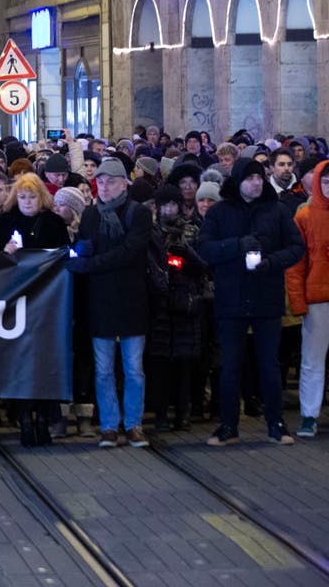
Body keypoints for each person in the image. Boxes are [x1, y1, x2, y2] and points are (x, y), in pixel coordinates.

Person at [199, 157, 305, 446]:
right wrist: (236, 246)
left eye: (259, 177)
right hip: (231, 299)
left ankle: (276, 423)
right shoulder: (220, 213)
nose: (256, 183)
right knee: (231, 364)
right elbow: (205, 248)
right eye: (250, 178)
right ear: (238, 181)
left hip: (266, 297)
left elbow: (296, 247)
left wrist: (271, 263)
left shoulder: (277, 210)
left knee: (268, 364)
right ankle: (228, 425)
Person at [67, 159, 152, 449]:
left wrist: (90, 263)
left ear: (123, 184)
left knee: (133, 368)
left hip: (131, 299)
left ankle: (133, 423)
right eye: (100, 182)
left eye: (110, 182)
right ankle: (109, 425)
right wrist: (79, 251)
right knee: (103, 369)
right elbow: (79, 247)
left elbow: (130, 252)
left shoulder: (137, 213)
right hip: (101, 300)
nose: (104, 187)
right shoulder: (91, 214)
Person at [0, 174, 71, 444]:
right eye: (22, 197)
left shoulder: (54, 222)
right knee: (19, 362)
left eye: (31, 197)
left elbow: (63, 256)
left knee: (44, 362)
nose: (26, 202)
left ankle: (45, 419)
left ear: (41, 197)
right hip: (16, 304)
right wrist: (4, 251)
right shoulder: (6, 221)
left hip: (47, 304)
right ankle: (23, 419)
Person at [145, 184, 205, 433]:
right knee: (159, 364)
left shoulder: (191, 231)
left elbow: (203, 268)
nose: (169, 209)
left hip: (184, 303)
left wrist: (188, 256)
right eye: (165, 205)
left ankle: (183, 412)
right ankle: (160, 413)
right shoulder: (151, 233)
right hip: (159, 304)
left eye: (173, 204)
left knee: (183, 363)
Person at [288, 161, 329, 438]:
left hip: (317, 296)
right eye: (325, 182)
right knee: (312, 359)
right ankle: (308, 414)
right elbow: (296, 266)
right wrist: (298, 302)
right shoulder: (304, 216)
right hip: (317, 299)